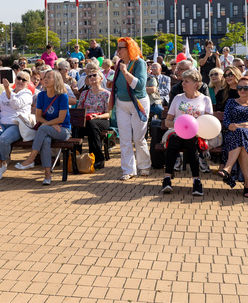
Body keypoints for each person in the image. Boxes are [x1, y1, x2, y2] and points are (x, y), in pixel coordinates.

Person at [160, 69, 213, 196]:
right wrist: (180, 126)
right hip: (177, 132)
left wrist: (193, 128)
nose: (183, 83)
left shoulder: (205, 100)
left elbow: (208, 122)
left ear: (196, 83)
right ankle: (167, 179)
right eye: (183, 81)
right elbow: (167, 122)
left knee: (191, 141)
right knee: (174, 140)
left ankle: (196, 181)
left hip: (197, 134)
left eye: (186, 81)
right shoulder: (178, 98)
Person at [15, 70, 70, 185]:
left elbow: (61, 119)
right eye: (45, 77)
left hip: (63, 130)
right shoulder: (41, 95)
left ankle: (31, 158)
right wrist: (49, 124)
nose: (45, 79)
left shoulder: (62, 96)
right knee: (45, 140)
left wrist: (47, 124)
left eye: (49, 77)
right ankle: (47, 176)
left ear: (57, 81)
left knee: (43, 129)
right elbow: (38, 116)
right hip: (47, 129)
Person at [216, 75, 248, 196]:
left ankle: (227, 167)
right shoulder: (230, 102)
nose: (242, 90)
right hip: (234, 134)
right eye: (239, 88)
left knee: (241, 135)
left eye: (246, 88)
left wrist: (243, 125)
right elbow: (227, 123)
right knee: (241, 138)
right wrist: (238, 127)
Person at [109, 37, 151, 180]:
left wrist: (126, 73)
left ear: (129, 49)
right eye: (118, 48)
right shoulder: (119, 63)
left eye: (121, 48)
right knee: (125, 139)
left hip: (138, 104)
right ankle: (128, 170)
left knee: (138, 138)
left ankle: (144, 166)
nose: (118, 51)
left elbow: (139, 85)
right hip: (122, 104)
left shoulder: (139, 63)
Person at [0, 72, 32, 179]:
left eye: (24, 80)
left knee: (3, 139)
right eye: (19, 78)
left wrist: (7, 90)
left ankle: (3, 162)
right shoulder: (4, 93)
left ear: (28, 83)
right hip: (1, 123)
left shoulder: (27, 94)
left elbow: (16, 104)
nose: (20, 81)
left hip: (16, 125)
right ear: (15, 79)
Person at [80, 69, 111, 169]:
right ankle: (77, 157)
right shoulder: (84, 94)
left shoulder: (106, 94)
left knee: (92, 125)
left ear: (101, 78)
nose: (92, 77)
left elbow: (109, 114)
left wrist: (98, 116)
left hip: (102, 120)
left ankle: (98, 159)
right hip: (87, 120)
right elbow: (79, 110)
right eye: (89, 76)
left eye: (94, 75)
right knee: (76, 127)